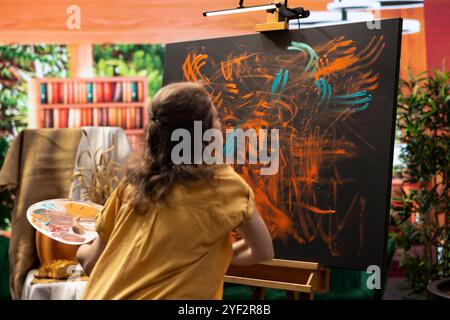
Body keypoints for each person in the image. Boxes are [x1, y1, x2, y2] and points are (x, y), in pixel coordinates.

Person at [76, 82, 273, 299]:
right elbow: (263, 251)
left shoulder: (132, 184)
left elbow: (90, 263)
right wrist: (219, 254)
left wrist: (82, 241)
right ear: (203, 134)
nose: (221, 124)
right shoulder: (226, 187)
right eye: (215, 118)